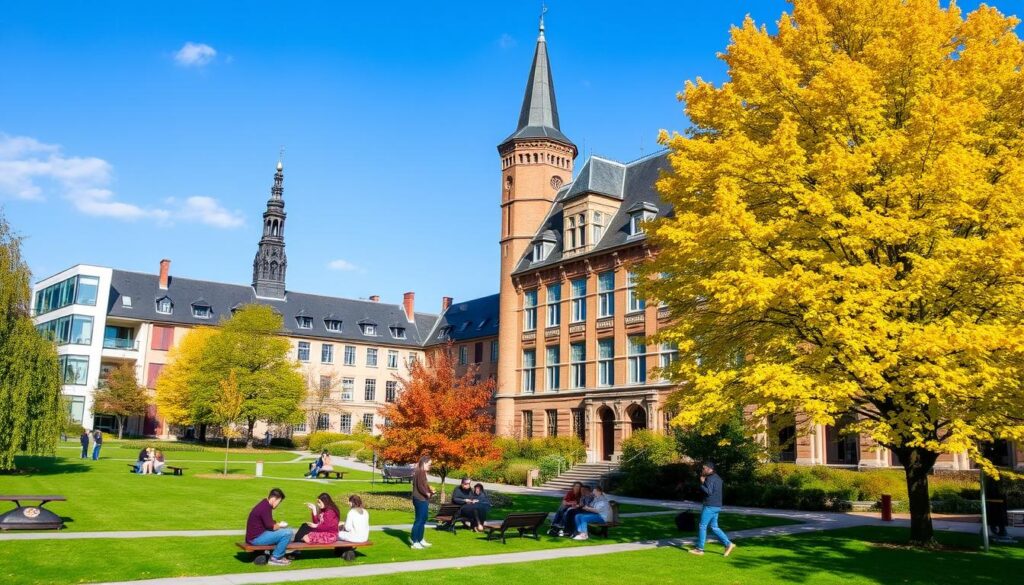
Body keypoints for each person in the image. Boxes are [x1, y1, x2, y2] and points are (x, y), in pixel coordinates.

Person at [690, 461, 735, 557]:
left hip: (709, 506)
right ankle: (728, 544)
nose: (703, 470)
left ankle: (699, 549)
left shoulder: (709, 478)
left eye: (704, 468)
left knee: (702, 526)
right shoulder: (718, 478)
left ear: (710, 469)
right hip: (717, 506)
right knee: (714, 527)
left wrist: (702, 483)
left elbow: (709, 492)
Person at [246, 488, 294, 566]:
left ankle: (277, 554)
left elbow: (268, 523)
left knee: (287, 530)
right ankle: (275, 557)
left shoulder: (264, 504)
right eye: (279, 501)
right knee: (288, 532)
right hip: (256, 539)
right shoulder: (265, 507)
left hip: (256, 536)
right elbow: (271, 527)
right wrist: (280, 525)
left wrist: (278, 525)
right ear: (274, 499)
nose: (278, 504)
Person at [410, 454, 435, 549]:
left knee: (423, 519)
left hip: (423, 499)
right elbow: (420, 486)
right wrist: (427, 493)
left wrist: (430, 490)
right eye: (429, 464)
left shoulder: (422, 472)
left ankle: (420, 539)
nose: (430, 466)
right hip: (419, 499)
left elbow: (424, 485)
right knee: (419, 520)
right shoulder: (419, 472)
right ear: (424, 463)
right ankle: (414, 541)